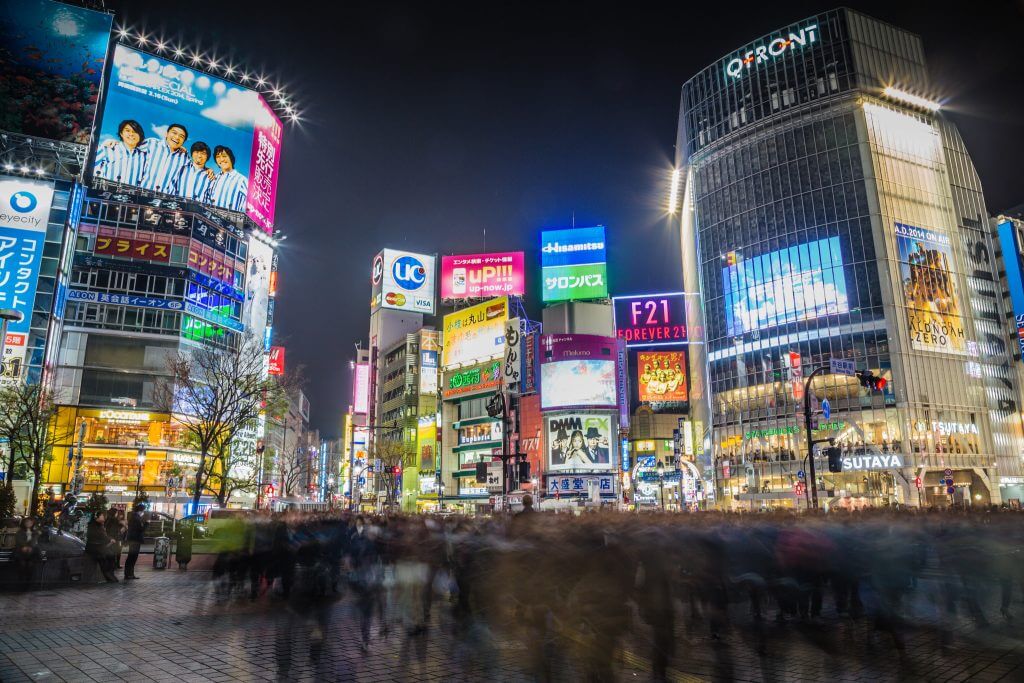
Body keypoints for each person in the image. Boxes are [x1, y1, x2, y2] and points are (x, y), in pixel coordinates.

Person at [137, 123, 191, 194]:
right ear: (166, 134)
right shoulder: (152, 143)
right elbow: (130, 146)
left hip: (164, 199)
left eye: (181, 136)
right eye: (174, 133)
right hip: (141, 192)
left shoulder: (185, 158)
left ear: (183, 141)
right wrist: (117, 144)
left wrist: (208, 170)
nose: (177, 137)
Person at [92, 119, 147, 185]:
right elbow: (91, 166)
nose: (131, 134)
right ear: (121, 133)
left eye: (135, 131)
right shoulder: (108, 148)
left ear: (140, 136)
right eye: (128, 130)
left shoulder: (144, 156)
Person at [207, 145, 249, 212]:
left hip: (231, 221)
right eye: (218, 157)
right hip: (210, 220)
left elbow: (251, 205)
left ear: (231, 158)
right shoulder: (214, 178)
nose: (222, 159)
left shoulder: (242, 180)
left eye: (224, 156)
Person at [85, 511, 118, 583]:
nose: (104, 518)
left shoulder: (100, 525)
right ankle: (108, 576)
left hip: (99, 546)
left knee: (111, 555)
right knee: (104, 558)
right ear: (97, 517)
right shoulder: (92, 525)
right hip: (94, 547)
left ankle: (110, 574)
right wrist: (110, 539)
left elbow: (104, 535)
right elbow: (100, 535)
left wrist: (110, 539)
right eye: (102, 516)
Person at [14, 517, 41, 589]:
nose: (28, 523)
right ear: (24, 523)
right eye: (27, 522)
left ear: (33, 524)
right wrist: (24, 546)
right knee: (22, 565)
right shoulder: (20, 532)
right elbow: (19, 540)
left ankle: (28, 583)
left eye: (30, 522)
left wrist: (29, 547)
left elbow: (34, 541)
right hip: (21, 552)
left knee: (30, 565)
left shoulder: (35, 532)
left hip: (32, 552)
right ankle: (21, 583)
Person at [124, 503, 146, 580]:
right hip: (135, 540)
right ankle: (129, 574)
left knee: (131, 557)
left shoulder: (133, 517)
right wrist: (146, 524)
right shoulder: (136, 518)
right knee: (132, 557)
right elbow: (140, 529)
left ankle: (129, 574)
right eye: (143, 510)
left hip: (133, 539)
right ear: (141, 510)